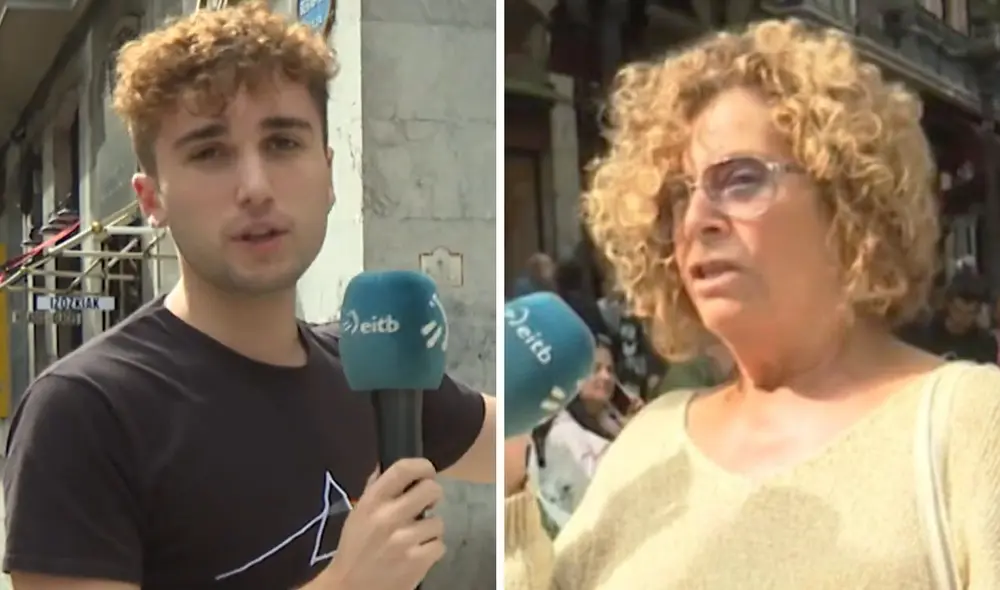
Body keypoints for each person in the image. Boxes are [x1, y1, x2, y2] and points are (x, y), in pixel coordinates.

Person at [3, 4, 496, 590]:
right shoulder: (84, 412)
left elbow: (517, 441)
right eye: (210, 153)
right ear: (152, 198)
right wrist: (347, 583)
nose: (256, 188)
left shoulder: (375, 375)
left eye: (283, 143)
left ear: (329, 172)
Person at [504, 19, 1000, 589]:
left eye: (740, 180)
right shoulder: (650, 440)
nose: (697, 219)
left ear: (846, 199)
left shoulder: (969, 425)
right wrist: (510, 472)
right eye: (678, 195)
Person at [526, 337, 637, 536]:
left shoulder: (609, 417)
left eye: (610, 370)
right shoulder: (565, 433)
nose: (606, 377)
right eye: (596, 369)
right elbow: (602, 488)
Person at [901, 272, 997, 364]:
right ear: (949, 305)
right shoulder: (922, 335)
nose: (962, 318)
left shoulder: (986, 343)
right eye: (958, 310)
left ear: (978, 312)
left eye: (970, 313)